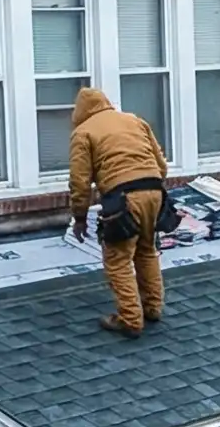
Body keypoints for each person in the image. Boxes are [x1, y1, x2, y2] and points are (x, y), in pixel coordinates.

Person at [67, 88, 168, 335]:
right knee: (146, 249)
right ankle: (152, 307)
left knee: (118, 259)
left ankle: (130, 319)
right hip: (155, 191)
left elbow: (79, 181)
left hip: (123, 198)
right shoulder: (135, 120)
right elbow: (161, 165)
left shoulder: (83, 132)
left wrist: (79, 217)